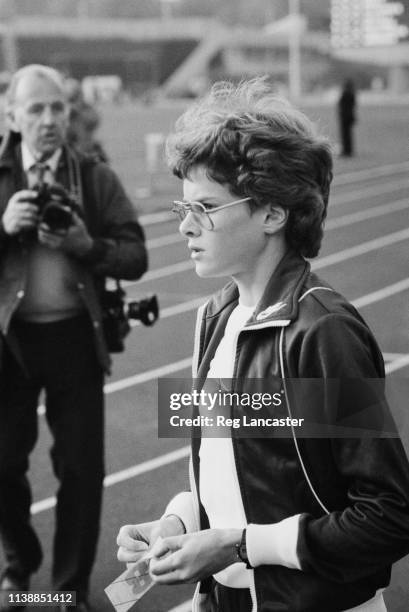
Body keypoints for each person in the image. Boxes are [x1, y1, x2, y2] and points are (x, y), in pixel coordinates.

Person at [116, 80, 409, 612]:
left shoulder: (324, 333)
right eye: (182, 208)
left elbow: (388, 516)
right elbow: (224, 473)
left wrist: (239, 546)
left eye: (205, 207)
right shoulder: (213, 317)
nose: (185, 226)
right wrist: (177, 520)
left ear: (273, 214)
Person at [0, 64, 147, 612]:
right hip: (8, 345)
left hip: (75, 341)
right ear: (12, 117)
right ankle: (19, 565)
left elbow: (135, 255)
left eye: (57, 107)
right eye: (34, 109)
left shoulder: (93, 176)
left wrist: (87, 244)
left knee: (82, 470)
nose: (48, 119)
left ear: (70, 113)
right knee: (2, 464)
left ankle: (69, 588)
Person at [338, 78, 356, 157]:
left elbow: (343, 106)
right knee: (348, 135)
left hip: (345, 117)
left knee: (345, 135)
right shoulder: (352, 93)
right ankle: (348, 150)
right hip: (349, 117)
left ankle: (346, 151)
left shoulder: (346, 94)